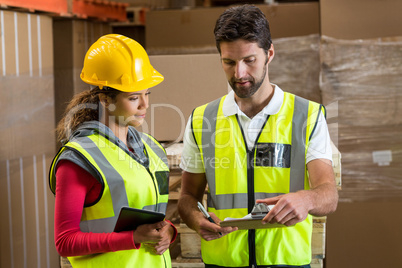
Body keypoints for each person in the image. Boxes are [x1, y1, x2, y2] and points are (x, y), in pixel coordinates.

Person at [178, 5, 338, 268]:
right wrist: (196, 220)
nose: (239, 73)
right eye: (229, 62)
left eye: (249, 60)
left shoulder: (307, 116)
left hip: (286, 262)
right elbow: (187, 197)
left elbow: (328, 193)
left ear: (269, 53)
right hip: (223, 262)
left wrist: (306, 199)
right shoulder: (202, 119)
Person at [49, 34, 176, 268]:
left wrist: (168, 232)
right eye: (134, 97)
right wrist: (134, 238)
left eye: (147, 94)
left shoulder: (152, 148)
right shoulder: (80, 158)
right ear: (105, 100)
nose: (144, 105)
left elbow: (153, 215)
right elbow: (65, 241)